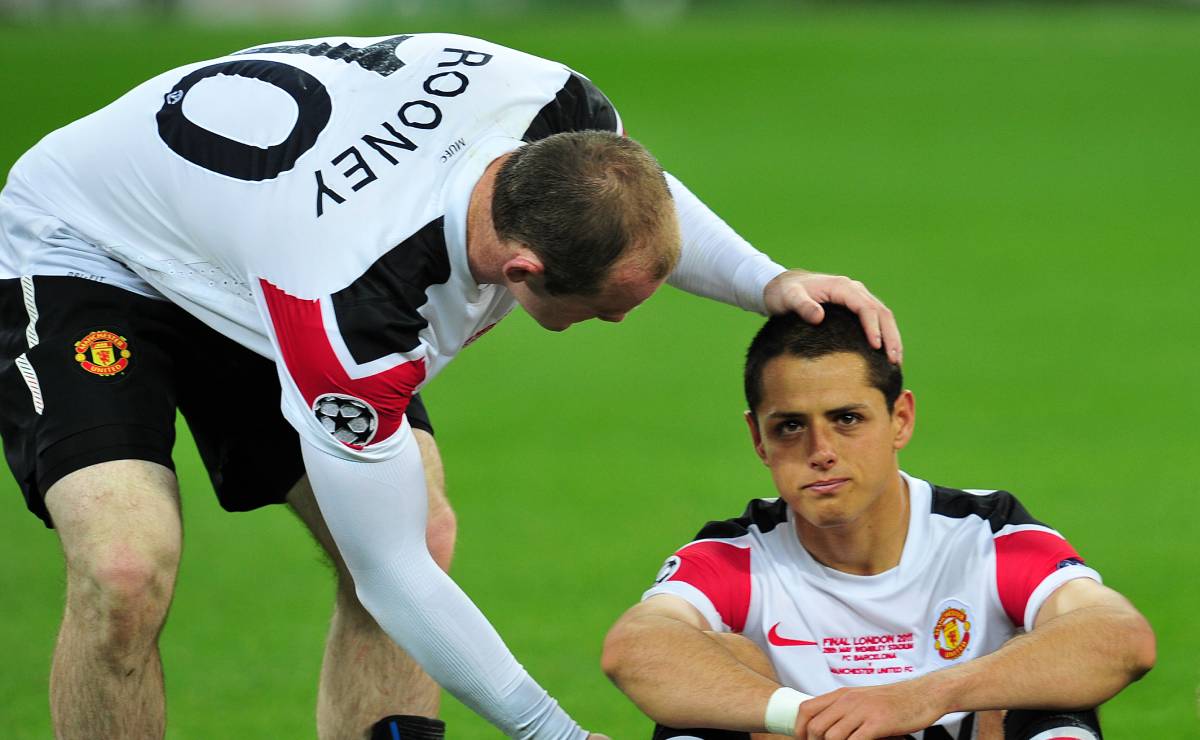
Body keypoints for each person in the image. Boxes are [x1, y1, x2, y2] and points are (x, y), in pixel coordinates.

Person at [0, 33, 902, 740]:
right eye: (599, 309)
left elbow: (638, 195)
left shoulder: (560, 109)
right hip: (92, 249)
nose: (624, 320)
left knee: (422, 526)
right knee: (125, 565)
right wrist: (549, 732)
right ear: (520, 268)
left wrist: (766, 280)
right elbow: (388, 573)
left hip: (251, 237)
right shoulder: (353, 306)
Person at [602, 306, 1155, 740]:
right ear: (758, 440)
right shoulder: (733, 557)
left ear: (900, 419)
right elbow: (636, 648)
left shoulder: (985, 536)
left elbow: (1120, 639)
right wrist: (807, 717)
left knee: (1047, 685)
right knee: (708, 685)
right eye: (790, 426)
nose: (821, 451)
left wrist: (923, 697)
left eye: (847, 419)